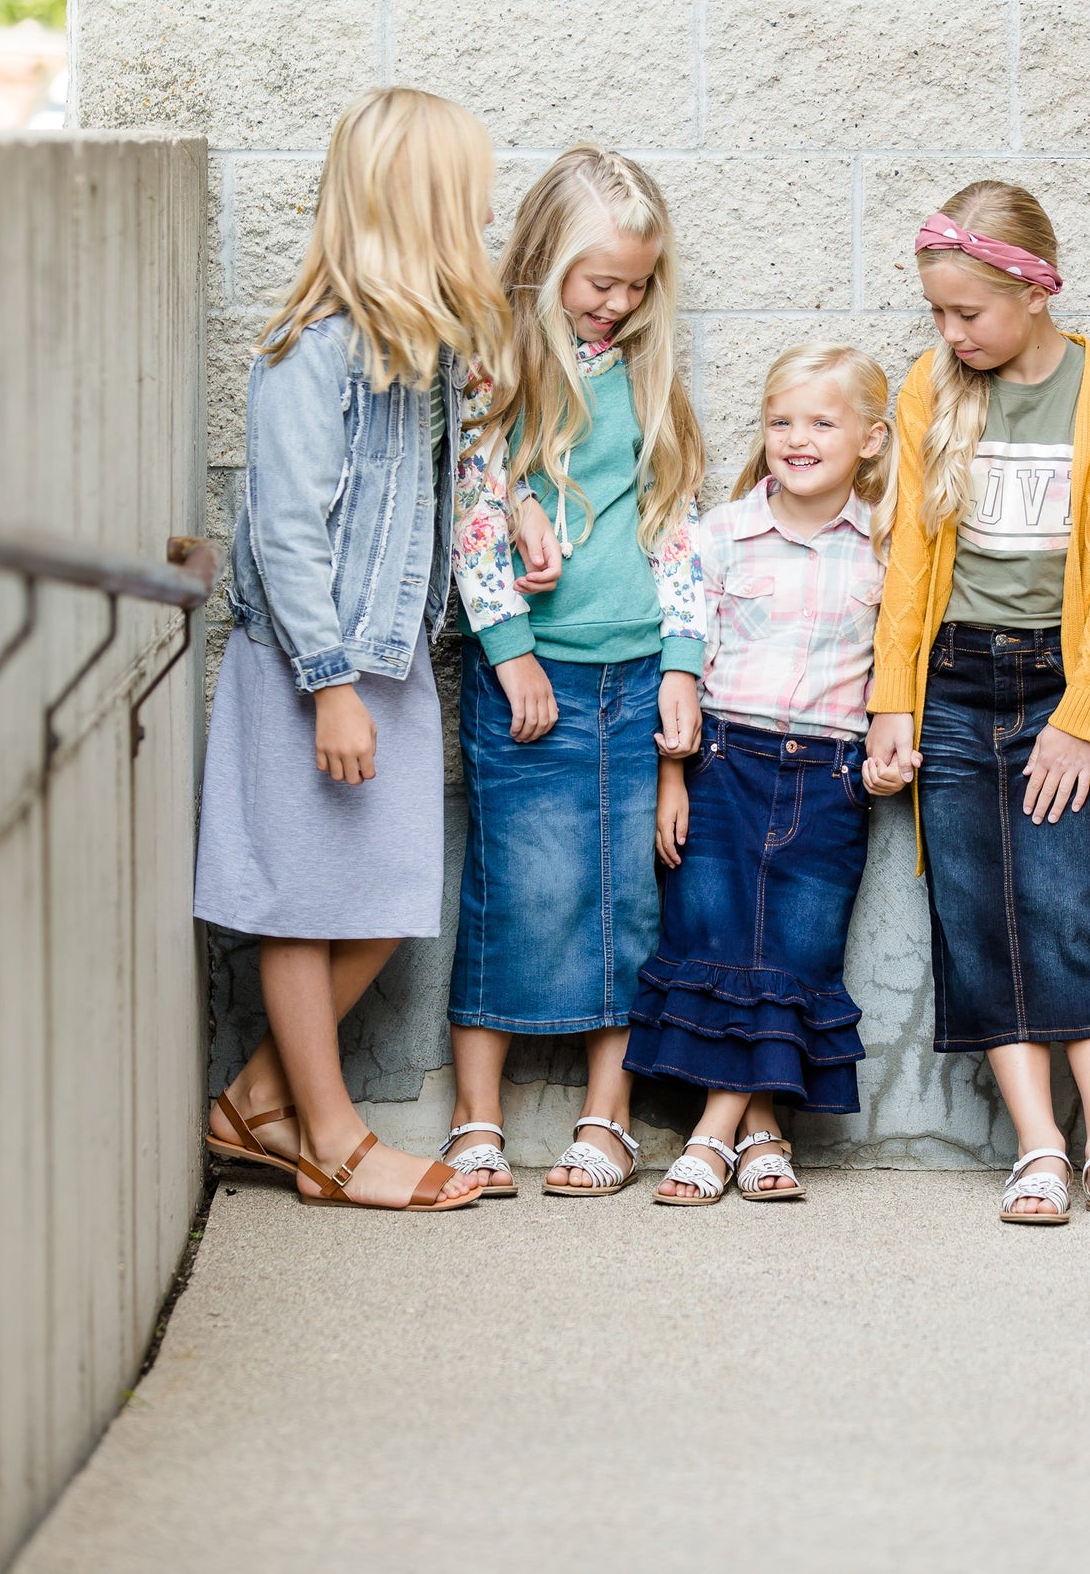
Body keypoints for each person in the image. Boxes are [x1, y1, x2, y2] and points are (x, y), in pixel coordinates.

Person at [195, 85, 553, 1212]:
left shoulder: (426, 349)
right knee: (305, 899)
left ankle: (257, 1102)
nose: (485, 217)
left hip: (385, 659)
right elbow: (288, 528)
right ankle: (330, 1140)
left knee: (387, 897)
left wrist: (512, 514)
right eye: (470, 199)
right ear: (422, 209)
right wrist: (330, 686)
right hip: (318, 666)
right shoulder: (314, 351)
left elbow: (444, 486)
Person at [866, 183, 1090, 1231]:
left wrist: (1081, 718)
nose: (950, 333)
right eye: (937, 314)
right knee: (975, 913)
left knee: (1066, 901)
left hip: (1060, 686)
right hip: (950, 682)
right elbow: (909, 557)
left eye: (968, 314)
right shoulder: (928, 388)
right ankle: (1037, 1148)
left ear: (1033, 291)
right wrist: (889, 702)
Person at [442, 144, 705, 1200]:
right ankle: (477, 1115)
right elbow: (469, 514)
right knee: (516, 885)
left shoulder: (645, 375)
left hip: (636, 672)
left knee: (625, 893)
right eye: (601, 282)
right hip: (533, 674)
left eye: (638, 285)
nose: (618, 302)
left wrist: (682, 662)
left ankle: (608, 1114)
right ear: (545, 259)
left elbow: (675, 527)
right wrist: (508, 652)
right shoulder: (492, 367)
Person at [626, 344, 897, 1205]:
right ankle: (755, 1130)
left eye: (821, 421)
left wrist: (887, 756)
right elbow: (684, 670)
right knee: (712, 943)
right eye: (781, 420)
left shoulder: (887, 548)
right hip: (722, 764)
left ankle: (721, 1131)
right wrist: (672, 778)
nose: (797, 437)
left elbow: (901, 666)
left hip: (828, 774)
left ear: (872, 438)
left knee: (793, 954)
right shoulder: (717, 535)